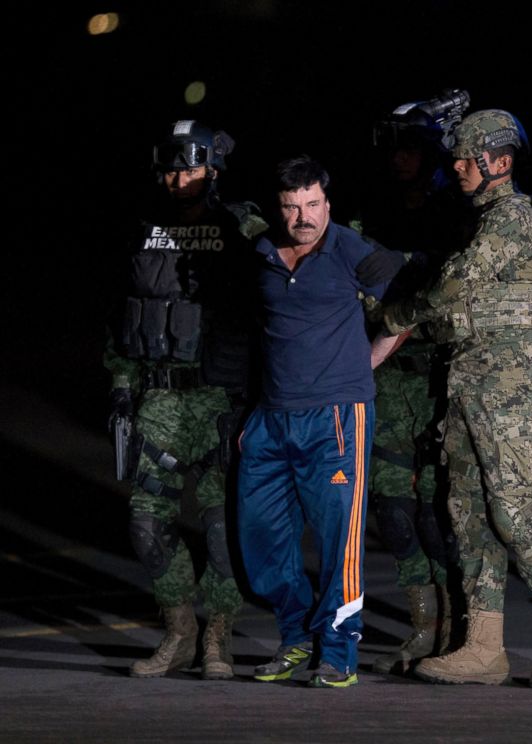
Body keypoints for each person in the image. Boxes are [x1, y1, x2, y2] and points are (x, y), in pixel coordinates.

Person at [374, 109, 532, 687]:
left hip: (514, 390)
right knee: (467, 516)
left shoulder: (513, 216)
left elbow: (459, 281)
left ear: (501, 160)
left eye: (469, 157)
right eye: (457, 157)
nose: (459, 167)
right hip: (468, 381)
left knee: (515, 514)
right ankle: (484, 647)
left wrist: (398, 316)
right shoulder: (474, 217)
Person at [104, 120, 266, 679]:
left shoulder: (242, 225)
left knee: (223, 527)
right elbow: (123, 316)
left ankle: (217, 637)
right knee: (146, 522)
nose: (178, 179)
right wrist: (123, 386)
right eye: (171, 169)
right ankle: (180, 630)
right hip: (160, 400)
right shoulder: (142, 227)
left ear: (213, 169)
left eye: (190, 168)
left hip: (223, 400)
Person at [236, 155, 401, 688]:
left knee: (338, 541)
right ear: (278, 208)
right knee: (260, 536)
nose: (303, 216)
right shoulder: (260, 252)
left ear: (327, 203)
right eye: (292, 207)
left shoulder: (351, 250)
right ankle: (294, 638)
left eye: (312, 204)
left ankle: (337, 654)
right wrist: (250, 410)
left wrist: (369, 359)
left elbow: (408, 307)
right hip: (270, 418)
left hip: (335, 416)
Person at [354, 96, 474, 675]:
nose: (398, 158)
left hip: (435, 377)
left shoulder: (460, 208)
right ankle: (421, 624)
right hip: (385, 378)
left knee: (436, 513)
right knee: (394, 512)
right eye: (393, 147)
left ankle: (456, 629)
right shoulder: (373, 207)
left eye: (411, 147)